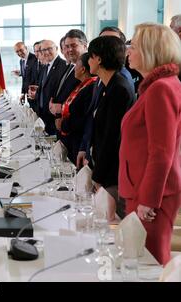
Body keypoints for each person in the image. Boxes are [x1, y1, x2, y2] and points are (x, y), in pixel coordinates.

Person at [119, 23, 181, 265]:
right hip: (143, 188)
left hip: (151, 195)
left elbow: (162, 151)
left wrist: (149, 199)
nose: (128, 52)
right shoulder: (156, 86)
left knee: (149, 264)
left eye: (133, 46)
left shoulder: (160, 88)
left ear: (149, 50)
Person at [87, 36, 135, 212]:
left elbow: (112, 137)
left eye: (90, 57)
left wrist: (98, 176)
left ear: (99, 59)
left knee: (110, 222)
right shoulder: (109, 85)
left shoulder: (119, 88)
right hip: (105, 167)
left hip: (113, 173)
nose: (88, 61)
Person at [59, 53, 97, 164]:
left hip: (80, 140)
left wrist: (63, 124)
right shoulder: (83, 85)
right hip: (72, 137)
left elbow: (83, 117)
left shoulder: (91, 87)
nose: (74, 69)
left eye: (76, 66)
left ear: (83, 69)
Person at [50, 30, 88, 133]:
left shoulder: (90, 70)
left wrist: (61, 108)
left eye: (74, 45)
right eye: (66, 46)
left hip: (76, 132)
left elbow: (84, 108)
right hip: (63, 127)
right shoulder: (71, 66)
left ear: (85, 46)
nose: (69, 50)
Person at [32, 40, 66, 135]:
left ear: (56, 49)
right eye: (43, 50)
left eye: (49, 49)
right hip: (43, 115)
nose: (46, 52)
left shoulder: (63, 66)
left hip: (54, 117)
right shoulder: (45, 66)